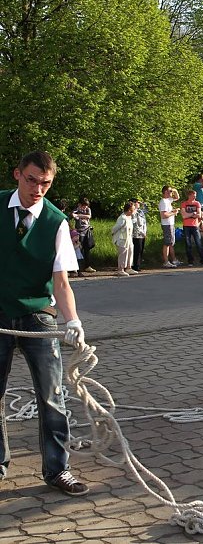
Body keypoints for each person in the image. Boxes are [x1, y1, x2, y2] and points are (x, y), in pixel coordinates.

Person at [0, 150, 89, 496]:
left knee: (52, 395)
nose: (38, 189)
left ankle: (57, 469)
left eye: (46, 183)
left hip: (38, 315)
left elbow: (62, 281)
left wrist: (73, 321)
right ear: (17, 174)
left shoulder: (56, 222)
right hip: (0, 313)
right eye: (32, 180)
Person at [180, 189, 203, 266]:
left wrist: (189, 215)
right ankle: (190, 261)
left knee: (199, 243)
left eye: (195, 195)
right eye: (193, 195)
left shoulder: (197, 203)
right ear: (189, 195)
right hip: (186, 226)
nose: (195, 197)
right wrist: (193, 214)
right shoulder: (184, 204)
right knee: (188, 244)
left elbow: (199, 215)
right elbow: (184, 216)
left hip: (195, 226)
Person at [71, 197, 96, 273]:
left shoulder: (88, 209)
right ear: (80, 204)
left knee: (87, 248)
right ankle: (78, 267)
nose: (85, 207)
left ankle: (87, 266)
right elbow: (72, 214)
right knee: (79, 248)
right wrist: (77, 214)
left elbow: (89, 216)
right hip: (79, 231)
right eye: (83, 205)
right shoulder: (76, 209)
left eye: (86, 206)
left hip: (87, 230)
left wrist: (78, 215)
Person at [111, 202, 135, 276]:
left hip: (128, 238)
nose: (134, 211)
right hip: (122, 239)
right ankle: (120, 269)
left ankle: (128, 267)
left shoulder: (129, 217)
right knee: (123, 253)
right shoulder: (122, 218)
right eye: (133, 209)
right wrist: (113, 235)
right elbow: (115, 228)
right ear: (129, 210)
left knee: (130, 252)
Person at [159, 186, 180, 268]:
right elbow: (164, 215)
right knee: (167, 243)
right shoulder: (163, 202)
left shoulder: (168, 200)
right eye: (169, 191)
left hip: (170, 223)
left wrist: (174, 189)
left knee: (171, 242)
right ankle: (166, 261)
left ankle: (173, 260)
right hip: (166, 224)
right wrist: (174, 213)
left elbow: (177, 197)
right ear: (165, 192)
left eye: (171, 192)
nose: (171, 193)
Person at [129, 198, 147, 273]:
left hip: (143, 234)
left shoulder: (140, 211)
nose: (138, 204)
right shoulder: (133, 213)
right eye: (137, 203)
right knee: (137, 250)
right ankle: (135, 265)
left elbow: (146, 209)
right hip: (136, 234)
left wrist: (142, 203)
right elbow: (135, 225)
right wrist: (142, 232)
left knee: (141, 249)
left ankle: (138, 264)